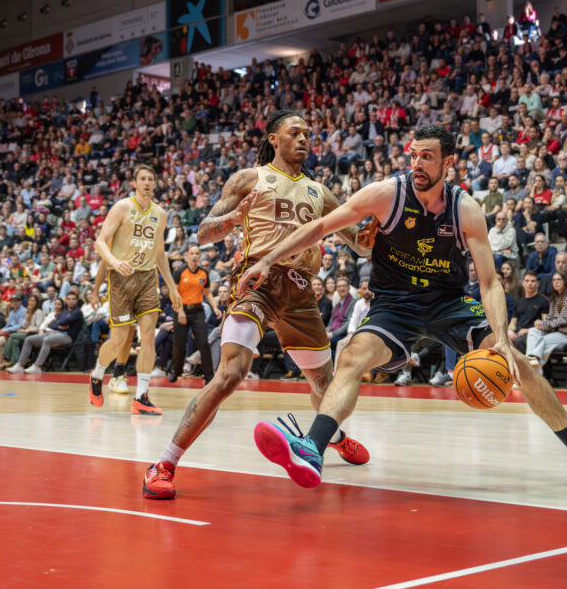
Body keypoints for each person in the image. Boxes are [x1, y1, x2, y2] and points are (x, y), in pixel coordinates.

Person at [239, 124, 567, 491]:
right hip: (395, 305)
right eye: (413, 155)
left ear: (447, 162)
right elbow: (321, 228)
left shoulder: (465, 209)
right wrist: (268, 259)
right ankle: (312, 450)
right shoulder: (386, 194)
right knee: (351, 356)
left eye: (427, 157)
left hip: (448, 303)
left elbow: (489, 282)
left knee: (519, 364)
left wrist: (499, 338)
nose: (417, 163)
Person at [141, 110, 374, 499]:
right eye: (294, 132)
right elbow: (203, 233)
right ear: (273, 139)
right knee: (232, 373)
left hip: (300, 292)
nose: (303, 139)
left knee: (326, 385)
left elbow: (357, 242)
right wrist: (233, 217)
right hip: (257, 283)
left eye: (307, 134)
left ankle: (332, 435)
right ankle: (163, 463)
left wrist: (371, 233)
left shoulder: (320, 192)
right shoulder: (251, 178)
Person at [87, 165, 181, 414]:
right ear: (135, 183)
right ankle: (97, 375)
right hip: (120, 277)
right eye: (143, 179)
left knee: (148, 336)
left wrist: (172, 288)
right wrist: (115, 262)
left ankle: (141, 397)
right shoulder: (122, 207)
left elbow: (160, 254)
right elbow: (100, 242)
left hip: (147, 277)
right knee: (118, 339)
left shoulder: (160, 214)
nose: (147, 183)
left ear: (155, 183)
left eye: (151, 179)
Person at [169, 244, 221, 382]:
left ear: (200, 256)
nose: (194, 256)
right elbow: (173, 294)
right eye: (192, 253)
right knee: (179, 344)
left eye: (197, 253)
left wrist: (215, 307)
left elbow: (208, 293)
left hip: (198, 311)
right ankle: (176, 371)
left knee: (203, 342)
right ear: (187, 255)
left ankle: (209, 375)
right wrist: (179, 311)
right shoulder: (179, 272)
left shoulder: (204, 273)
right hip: (181, 310)